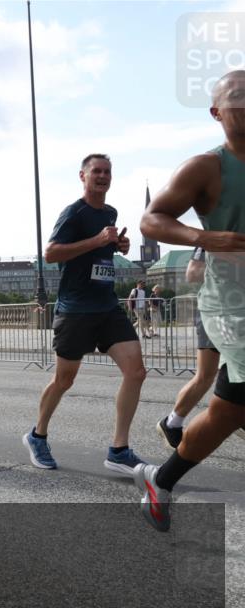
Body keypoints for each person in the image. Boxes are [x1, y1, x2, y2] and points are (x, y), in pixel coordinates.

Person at [135, 70, 245, 531]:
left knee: (227, 411)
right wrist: (203, 236)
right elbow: (152, 220)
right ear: (217, 112)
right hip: (231, 308)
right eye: (238, 96)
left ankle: (161, 481)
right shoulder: (207, 167)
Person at [22, 154, 147, 473]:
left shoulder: (110, 212)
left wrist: (118, 244)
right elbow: (50, 253)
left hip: (106, 306)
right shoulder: (73, 213)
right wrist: (97, 240)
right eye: (96, 172)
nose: (102, 176)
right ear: (83, 176)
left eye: (107, 171)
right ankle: (37, 435)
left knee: (136, 371)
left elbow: (101, 250)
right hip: (75, 309)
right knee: (64, 379)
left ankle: (119, 449)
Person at [157, 249, 221, 448]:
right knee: (205, 376)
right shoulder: (213, 235)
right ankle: (172, 423)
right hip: (216, 313)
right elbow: (192, 273)